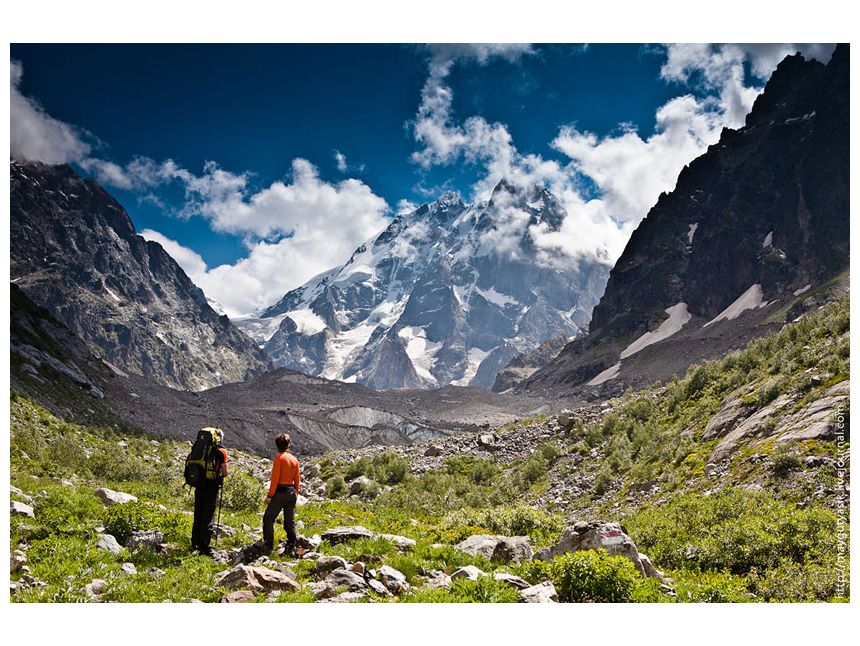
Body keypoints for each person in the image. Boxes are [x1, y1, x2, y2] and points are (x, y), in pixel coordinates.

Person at [191, 427, 228, 557]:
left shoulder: (201, 448)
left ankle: (194, 542)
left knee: (198, 513)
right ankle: (204, 546)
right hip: (212, 486)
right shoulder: (221, 451)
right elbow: (224, 473)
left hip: (199, 483)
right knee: (208, 515)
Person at [262, 432, 301, 553]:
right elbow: (297, 480)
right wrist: (296, 494)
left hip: (280, 492)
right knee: (289, 522)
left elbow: (275, 479)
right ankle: (291, 546)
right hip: (291, 492)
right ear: (289, 444)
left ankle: (268, 545)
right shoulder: (294, 460)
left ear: (277, 445)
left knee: (268, 519)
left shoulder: (279, 458)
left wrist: (270, 496)